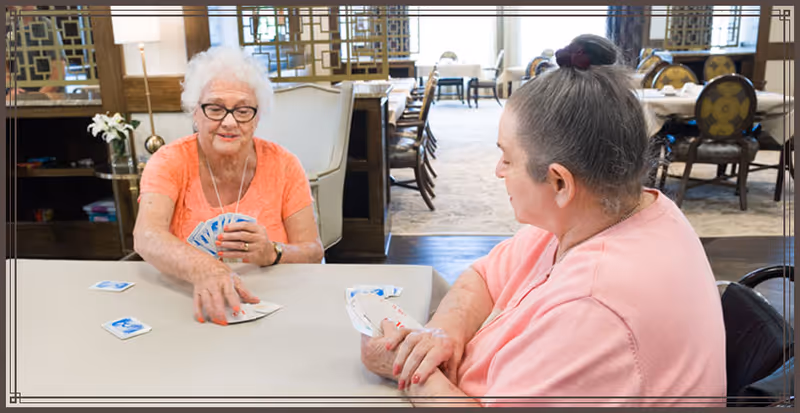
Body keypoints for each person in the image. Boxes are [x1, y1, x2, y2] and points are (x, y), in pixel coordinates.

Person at [360, 34, 726, 407]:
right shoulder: (602, 212)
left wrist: (409, 370)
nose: (497, 171)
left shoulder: (594, 307)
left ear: (559, 182)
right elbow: (485, 276)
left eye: (507, 157)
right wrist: (444, 333)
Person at [134, 46, 324, 326]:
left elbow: (313, 250)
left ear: (257, 117)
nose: (230, 122)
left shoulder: (285, 164)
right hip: (186, 307)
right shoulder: (169, 160)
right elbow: (146, 236)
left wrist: (273, 252)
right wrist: (206, 269)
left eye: (243, 110)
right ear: (195, 113)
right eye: (215, 108)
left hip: (275, 308)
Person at [5, 5, 66, 100]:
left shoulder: (46, 26)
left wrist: (38, 96)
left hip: (49, 97)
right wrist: (11, 88)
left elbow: (58, 70)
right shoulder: (8, 27)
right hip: (18, 98)